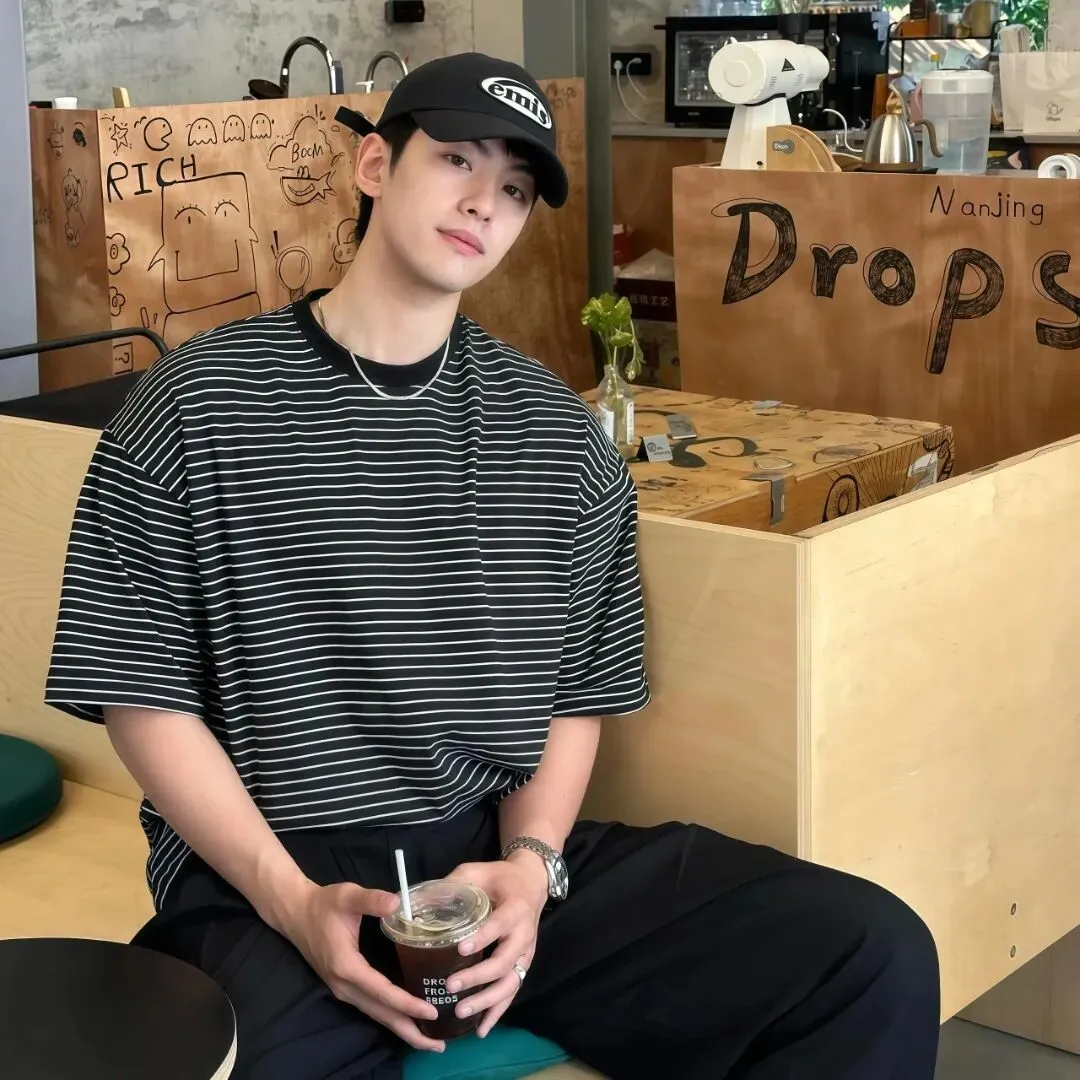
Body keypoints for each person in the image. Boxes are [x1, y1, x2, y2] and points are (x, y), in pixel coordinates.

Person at [44, 53, 940, 1080]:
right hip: (270, 872)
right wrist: (291, 901)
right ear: (375, 166)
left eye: (514, 189)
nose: (484, 202)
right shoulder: (197, 404)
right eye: (457, 160)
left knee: (866, 954)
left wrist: (530, 867)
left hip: (483, 862)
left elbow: (576, 694)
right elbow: (141, 697)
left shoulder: (556, 437)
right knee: (232, 1060)